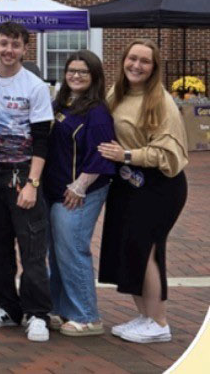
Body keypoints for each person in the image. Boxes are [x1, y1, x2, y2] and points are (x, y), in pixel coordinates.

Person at [98, 40, 188, 344]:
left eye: (144, 61)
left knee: (147, 248)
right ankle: (145, 316)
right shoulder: (117, 93)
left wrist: (126, 155)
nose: (136, 65)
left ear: (154, 67)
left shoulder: (161, 102)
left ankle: (159, 322)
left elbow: (169, 156)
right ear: (123, 61)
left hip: (159, 185)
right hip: (127, 183)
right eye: (132, 59)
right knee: (129, 249)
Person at [0, 21, 54, 342]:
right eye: (4, 43)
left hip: (22, 171)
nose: (9, 50)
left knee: (32, 246)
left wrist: (33, 183)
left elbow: (42, 138)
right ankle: (8, 307)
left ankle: (38, 314)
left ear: (24, 48)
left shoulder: (34, 86)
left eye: (16, 45)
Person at [44, 50, 116, 337]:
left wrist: (80, 185)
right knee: (58, 252)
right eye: (71, 70)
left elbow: (102, 156)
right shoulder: (62, 103)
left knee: (73, 250)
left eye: (83, 72)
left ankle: (87, 316)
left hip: (79, 192)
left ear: (94, 76)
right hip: (55, 190)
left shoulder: (97, 112)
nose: (75, 75)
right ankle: (62, 309)